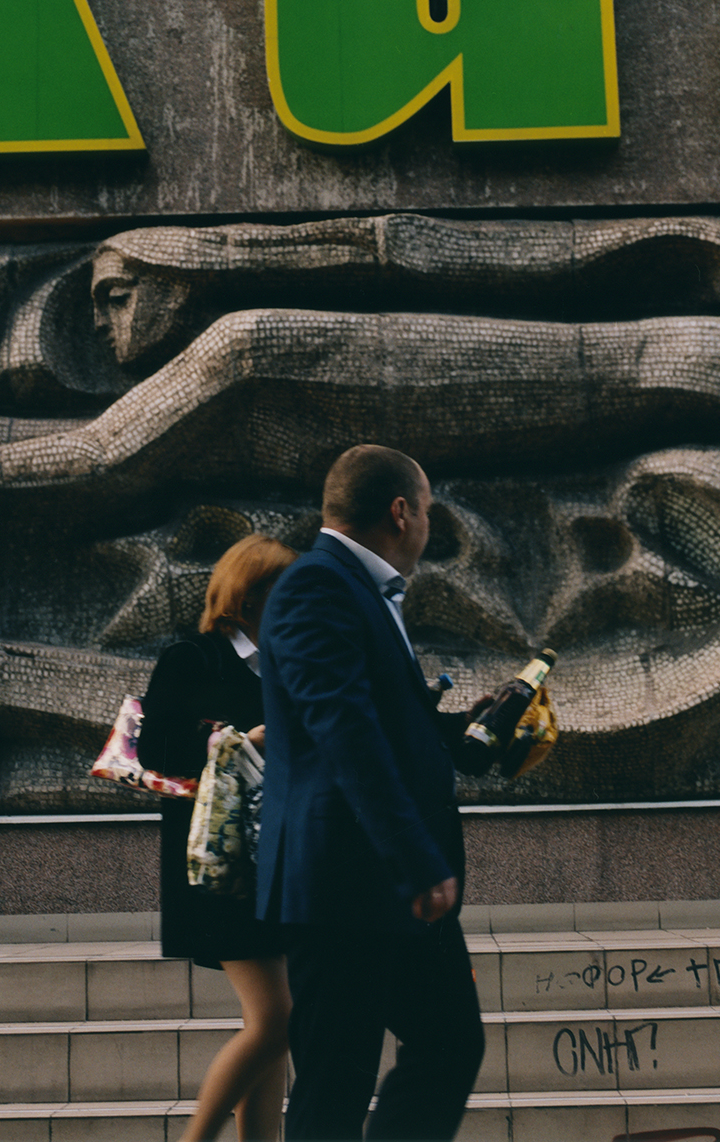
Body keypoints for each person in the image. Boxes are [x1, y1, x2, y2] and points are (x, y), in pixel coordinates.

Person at [257, 444, 486, 1142]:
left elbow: (380, 723)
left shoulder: (359, 591)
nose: (427, 527)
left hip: (385, 884)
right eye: (426, 511)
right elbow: (341, 730)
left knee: (449, 1042)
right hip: (349, 885)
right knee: (335, 1082)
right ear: (400, 511)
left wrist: (467, 733)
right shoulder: (315, 586)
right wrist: (416, 860)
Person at [137, 532, 297, 1142]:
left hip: (271, 861)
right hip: (217, 867)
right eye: (287, 591)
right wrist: (240, 742)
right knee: (278, 1019)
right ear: (252, 595)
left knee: (271, 1025)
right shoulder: (193, 659)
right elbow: (156, 751)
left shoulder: (280, 664)